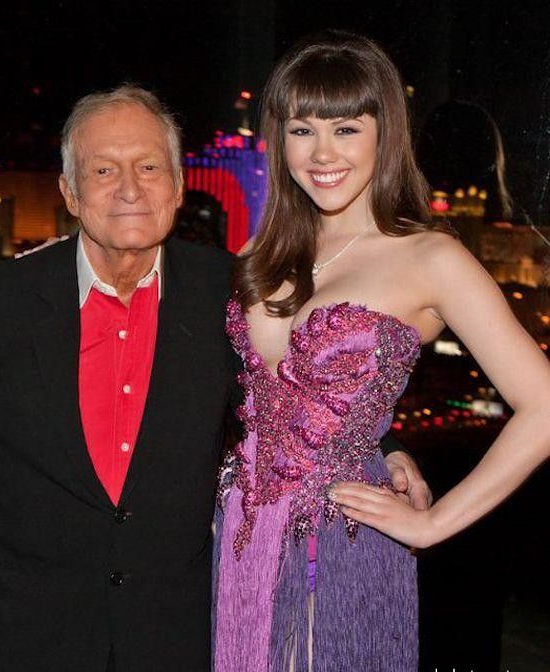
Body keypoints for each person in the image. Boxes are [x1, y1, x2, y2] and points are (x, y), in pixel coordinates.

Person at [0, 84, 425, 672]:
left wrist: (386, 447)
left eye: (149, 167)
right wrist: (14, 555)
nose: (129, 189)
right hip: (20, 635)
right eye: (103, 170)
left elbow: (291, 397)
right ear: (70, 192)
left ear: (179, 186)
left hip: (172, 636)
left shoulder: (232, 293)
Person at [212, 31, 550, 672]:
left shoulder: (430, 257)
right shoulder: (260, 255)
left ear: (383, 133)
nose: (322, 153)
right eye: (302, 130)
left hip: (343, 539)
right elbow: (249, 396)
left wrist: (434, 523)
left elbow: (545, 407)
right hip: (240, 539)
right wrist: (392, 445)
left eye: (345, 129)